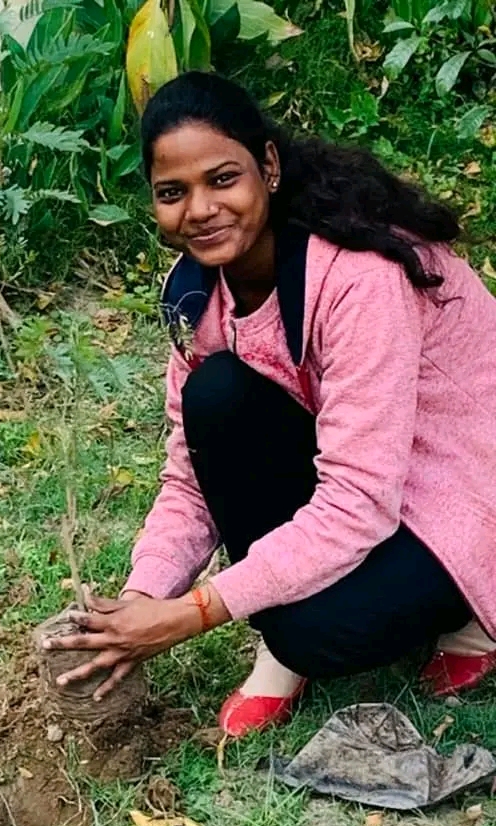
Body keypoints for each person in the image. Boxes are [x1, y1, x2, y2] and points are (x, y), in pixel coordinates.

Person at [41, 71, 496, 738]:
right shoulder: (196, 293)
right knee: (218, 396)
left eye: (222, 179)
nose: (199, 210)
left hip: (465, 483)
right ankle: (287, 632)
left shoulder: (357, 277)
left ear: (268, 168)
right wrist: (140, 600)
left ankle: (464, 613)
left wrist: (191, 614)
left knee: (312, 631)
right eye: (173, 193)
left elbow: (360, 501)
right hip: (372, 468)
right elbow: (192, 480)